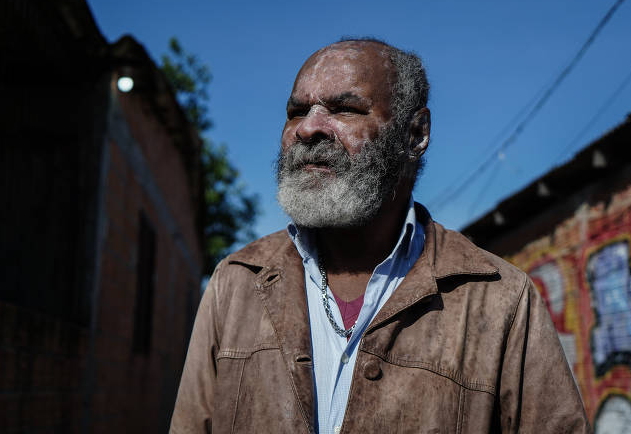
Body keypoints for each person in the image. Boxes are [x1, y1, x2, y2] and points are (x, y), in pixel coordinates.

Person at [170, 39, 590, 433]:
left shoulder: (500, 299)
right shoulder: (237, 284)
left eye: (345, 109)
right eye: (297, 112)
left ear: (415, 134)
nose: (308, 128)